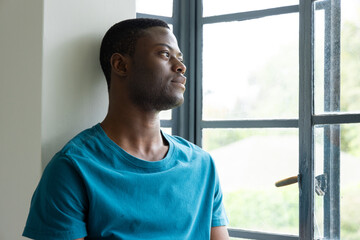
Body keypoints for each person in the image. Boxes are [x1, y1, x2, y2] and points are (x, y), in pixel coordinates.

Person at [23, 18, 229, 240]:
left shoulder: (202, 166)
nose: (181, 66)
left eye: (179, 58)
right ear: (121, 65)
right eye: (165, 54)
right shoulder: (73, 168)